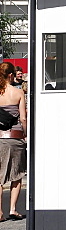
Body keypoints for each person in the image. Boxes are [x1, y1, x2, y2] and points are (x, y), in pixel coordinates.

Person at [0, 61, 27, 221]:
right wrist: (25, 133)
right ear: (11, 75)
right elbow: (23, 117)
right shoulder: (18, 93)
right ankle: (13, 209)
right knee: (16, 174)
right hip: (15, 137)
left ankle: (0, 213)